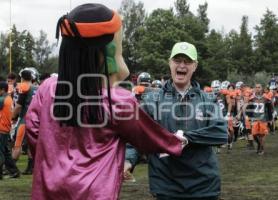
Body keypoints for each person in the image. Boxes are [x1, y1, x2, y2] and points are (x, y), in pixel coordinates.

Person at [25, 4, 184, 200]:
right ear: (107, 52)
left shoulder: (47, 89)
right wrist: (177, 142)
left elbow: (33, 132)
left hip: (48, 189)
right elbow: (148, 138)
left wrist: (52, 161)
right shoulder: (117, 101)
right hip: (94, 192)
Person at [125, 42, 228, 200]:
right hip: (166, 187)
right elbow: (136, 137)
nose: (182, 65)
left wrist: (187, 138)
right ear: (170, 63)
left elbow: (220, 133)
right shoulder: (152, 100)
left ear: (195, 66)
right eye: (177, 60)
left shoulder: (208, 99)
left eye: (187, 62)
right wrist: (128, 161)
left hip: (204, 186)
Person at [0, 81, 20, 179]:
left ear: (2, 90)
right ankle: (14, 171)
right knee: (6, 153)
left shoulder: (2, 99)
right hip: (6, 128)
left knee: (1, 152)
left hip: (1, 128)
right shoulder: (9, 98)